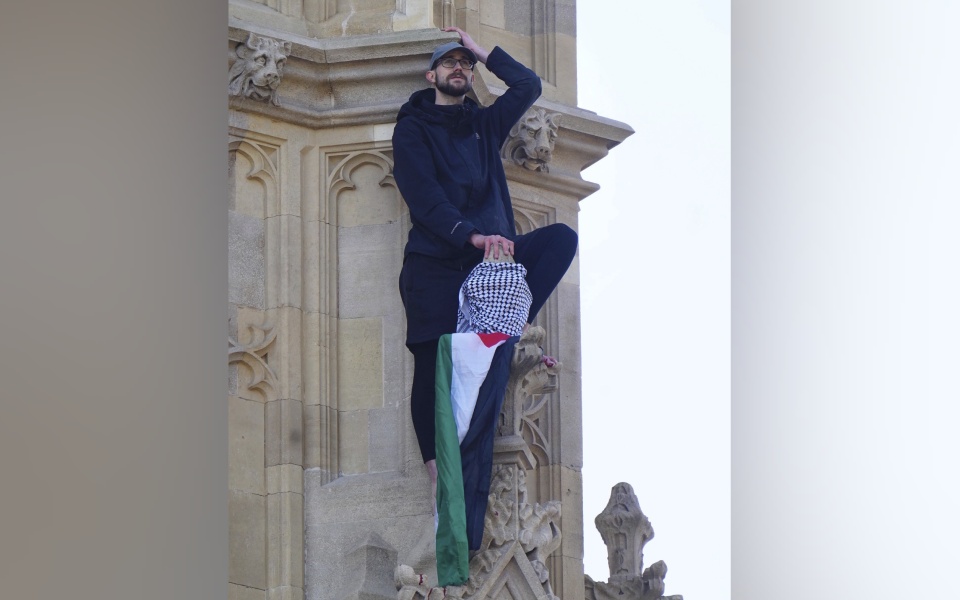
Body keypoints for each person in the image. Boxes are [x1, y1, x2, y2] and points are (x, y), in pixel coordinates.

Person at [392, 27, 578, 514]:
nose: (459, 68)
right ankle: (438, 472)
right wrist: (469, 235)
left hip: (491, 266)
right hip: (436, 264)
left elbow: (528, 85)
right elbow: (423, 197)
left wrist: (482, 51)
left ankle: (512, 327)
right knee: (431, 363)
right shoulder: (412, 128)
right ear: (431, 75)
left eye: (465, 64)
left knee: (560, 240)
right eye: (449, 62)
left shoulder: (483, 124)